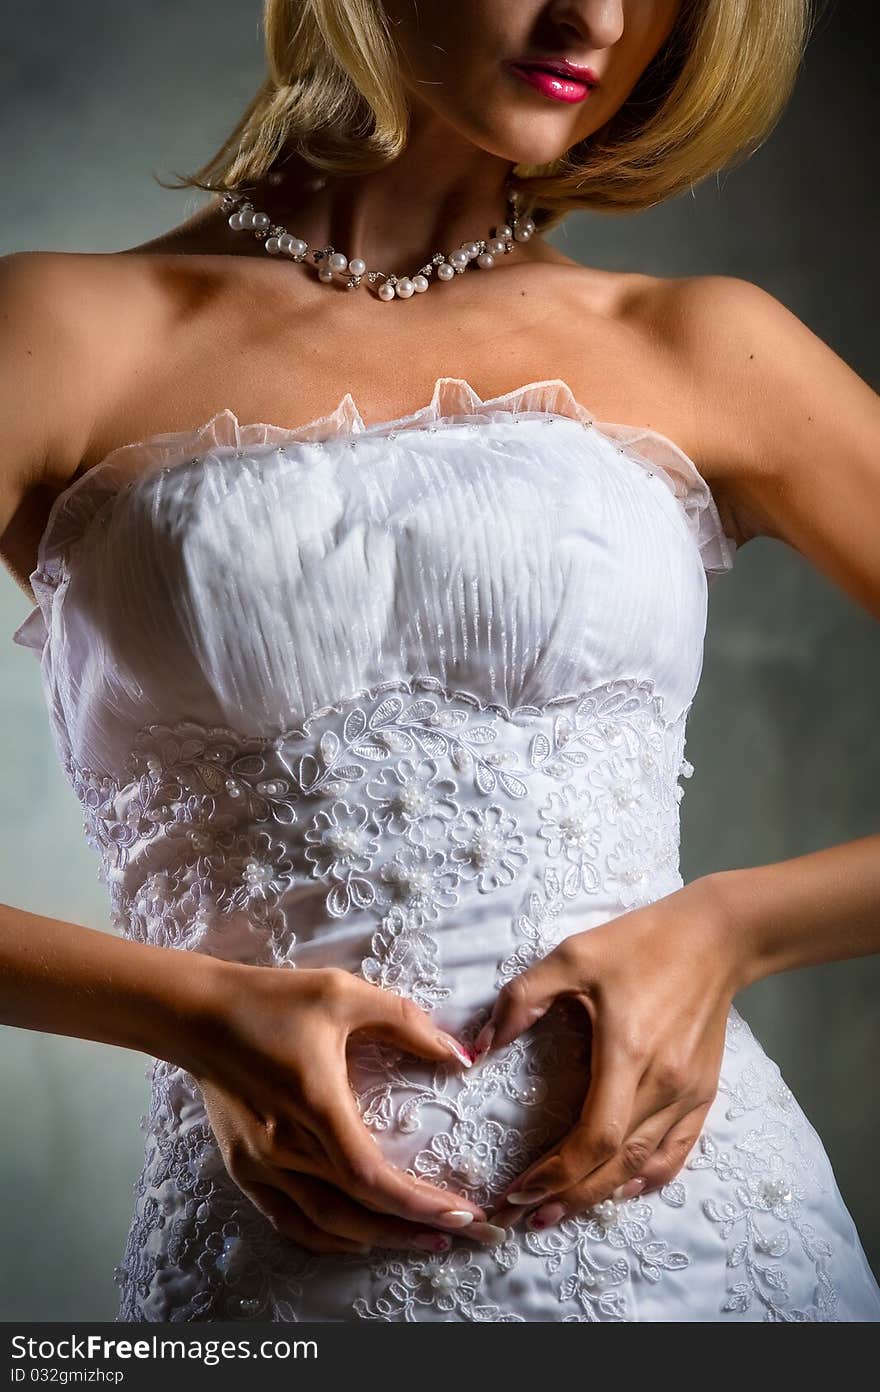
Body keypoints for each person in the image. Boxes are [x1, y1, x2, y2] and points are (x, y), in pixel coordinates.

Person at [2, 0, 879, 1324]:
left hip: (714, 1263)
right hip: (271, 1291)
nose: (595, 16)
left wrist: (729, 928)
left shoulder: (702, 346)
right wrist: (188, 1015)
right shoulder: (60, 333)